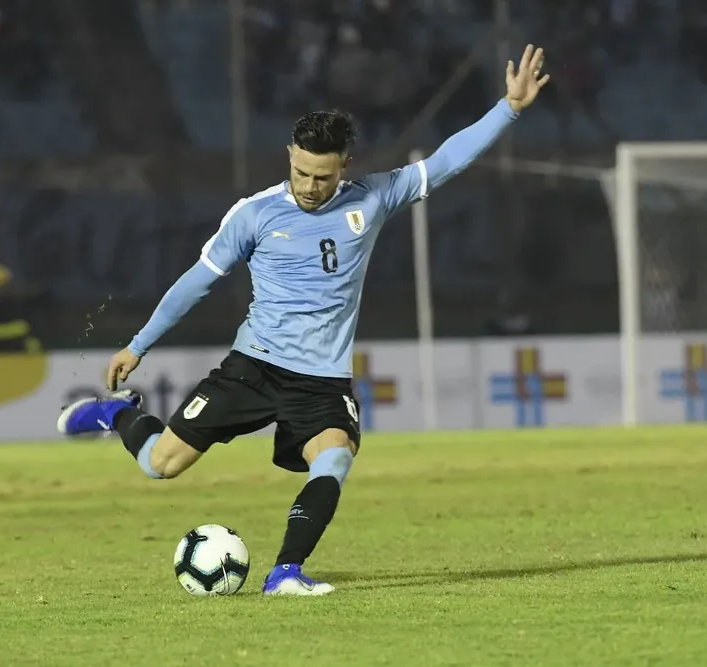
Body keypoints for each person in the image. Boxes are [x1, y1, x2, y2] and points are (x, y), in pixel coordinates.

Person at [58, 45, 549, 596]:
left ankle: (284, 573)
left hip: (321, 379)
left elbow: (446, 160)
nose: (309, 186)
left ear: (345, 166)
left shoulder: (376, 196)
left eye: (322, 175)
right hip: (253, 367)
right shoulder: (255, 214)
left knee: (334, 458)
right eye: (300, 171)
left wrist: (509, 107)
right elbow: (197, 281)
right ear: (289, 154)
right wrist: (138, 345)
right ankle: (116, 415)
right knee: (159, 464)